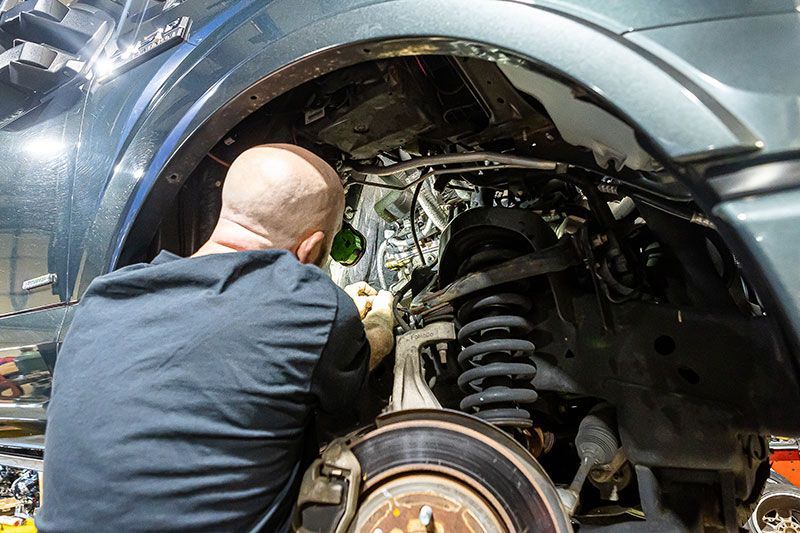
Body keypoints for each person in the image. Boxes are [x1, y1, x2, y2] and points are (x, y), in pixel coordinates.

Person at [38, 144, 395, 532]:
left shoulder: (103, 298)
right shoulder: (312, 306)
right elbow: (349, 401)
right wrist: (382, 322)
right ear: (309, 248)